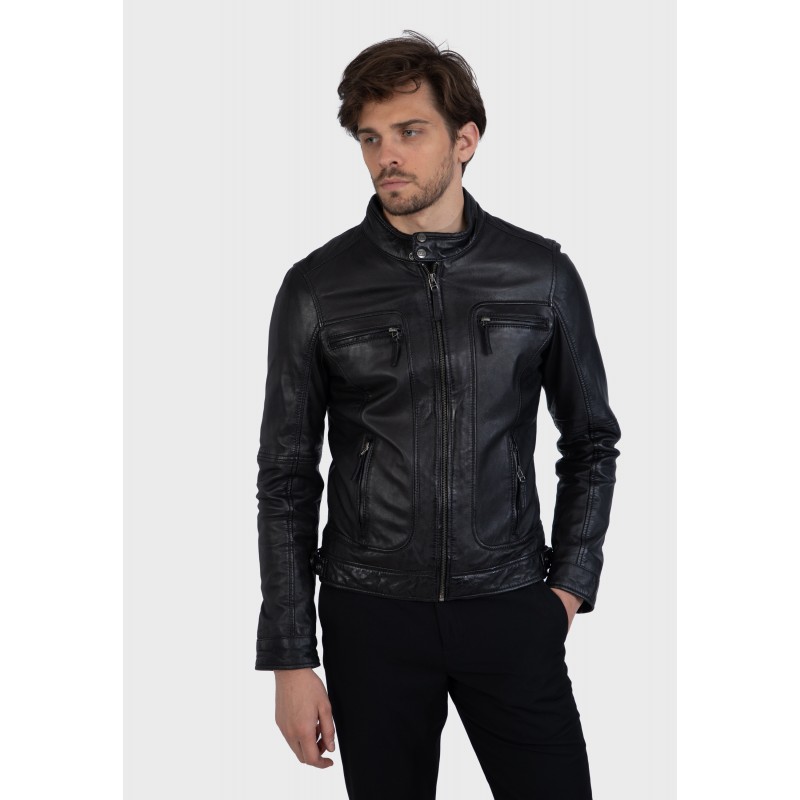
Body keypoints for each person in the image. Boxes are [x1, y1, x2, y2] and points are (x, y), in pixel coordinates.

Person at [254, 30, 622, 800]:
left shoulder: (540, 274)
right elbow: (286, 477)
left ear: (465, 140)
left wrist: (567, 586)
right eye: (370, 138)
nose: (386, 155)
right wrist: (291, 657)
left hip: (510, 604)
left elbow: (591, 441)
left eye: (409, 131)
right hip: (370, 615)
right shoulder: (317, 288)